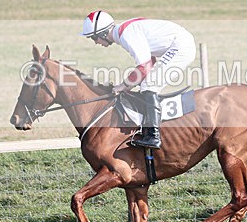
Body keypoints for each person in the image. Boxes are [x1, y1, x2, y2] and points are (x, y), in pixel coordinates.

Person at [80, 10, 196, 149]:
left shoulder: (126, 35)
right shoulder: (124, 31)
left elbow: (144, 67)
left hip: (180, 47)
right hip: (180, 43)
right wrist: (130, 83)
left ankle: (153, 136)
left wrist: (123, 86)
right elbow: (150, 60)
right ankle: (148, 129)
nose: (95, 43)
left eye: (94, 38)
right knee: (147, 84)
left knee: (149, 85)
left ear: (103, 33)